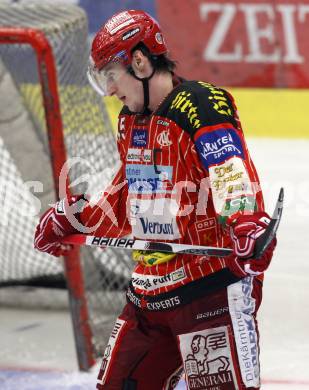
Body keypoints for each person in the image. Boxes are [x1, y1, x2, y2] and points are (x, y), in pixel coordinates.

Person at [34, 9, 277, 390]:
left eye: (111, 75)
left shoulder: (201, 103)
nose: (110, 89)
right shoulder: (130, 121)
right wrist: (76, 219)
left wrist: (244, 219)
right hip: (149, 295)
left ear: (141, 62)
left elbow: (229, 169)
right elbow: (131, 200)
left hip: (209, 289)